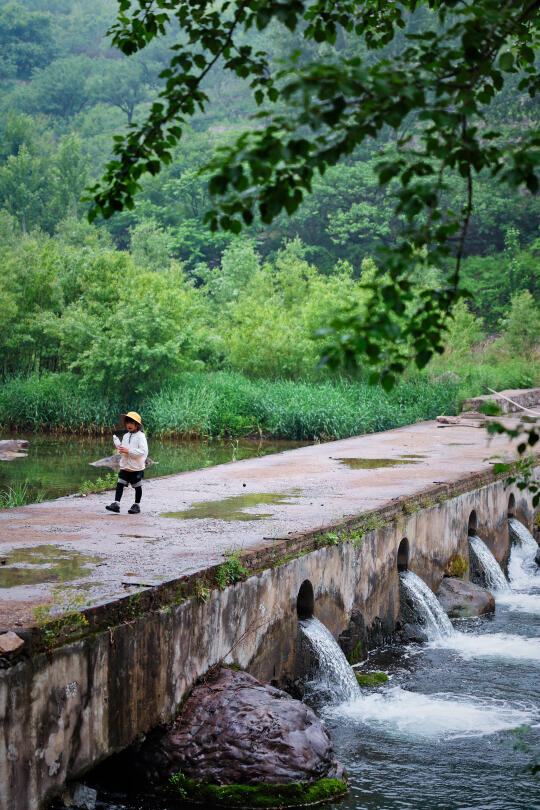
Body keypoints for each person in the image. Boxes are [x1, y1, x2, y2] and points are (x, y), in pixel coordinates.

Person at [105, 411, 148, 514]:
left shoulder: (141, 436)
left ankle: (136, 505)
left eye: (132, 423)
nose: (129, 425)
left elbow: (143, 451)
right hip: (125, 466)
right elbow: (123, 450)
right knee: (120, 484)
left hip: (136, 467)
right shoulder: (125, 436)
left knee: (137, 487)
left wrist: (128, 451)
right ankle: (116, 504)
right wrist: (119, 449)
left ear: (137, 425)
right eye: (127, 423)